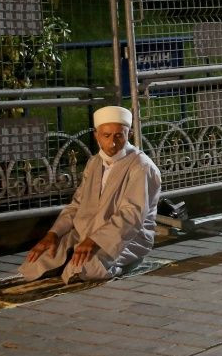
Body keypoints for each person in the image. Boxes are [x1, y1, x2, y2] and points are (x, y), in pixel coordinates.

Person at [19, 106, 160, 282]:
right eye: (106, 136)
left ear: (129, 134)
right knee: (36, 264)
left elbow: (131, 216)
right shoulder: (94, 163)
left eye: (119, 135)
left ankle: (124, 263)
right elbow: (77, 205)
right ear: (96, 135)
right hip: (85, 233)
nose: (112, 143)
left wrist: (95, 241)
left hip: (123, 238)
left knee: (83, 268)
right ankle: (71, 257)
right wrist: (53, 234)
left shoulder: (141, 166)